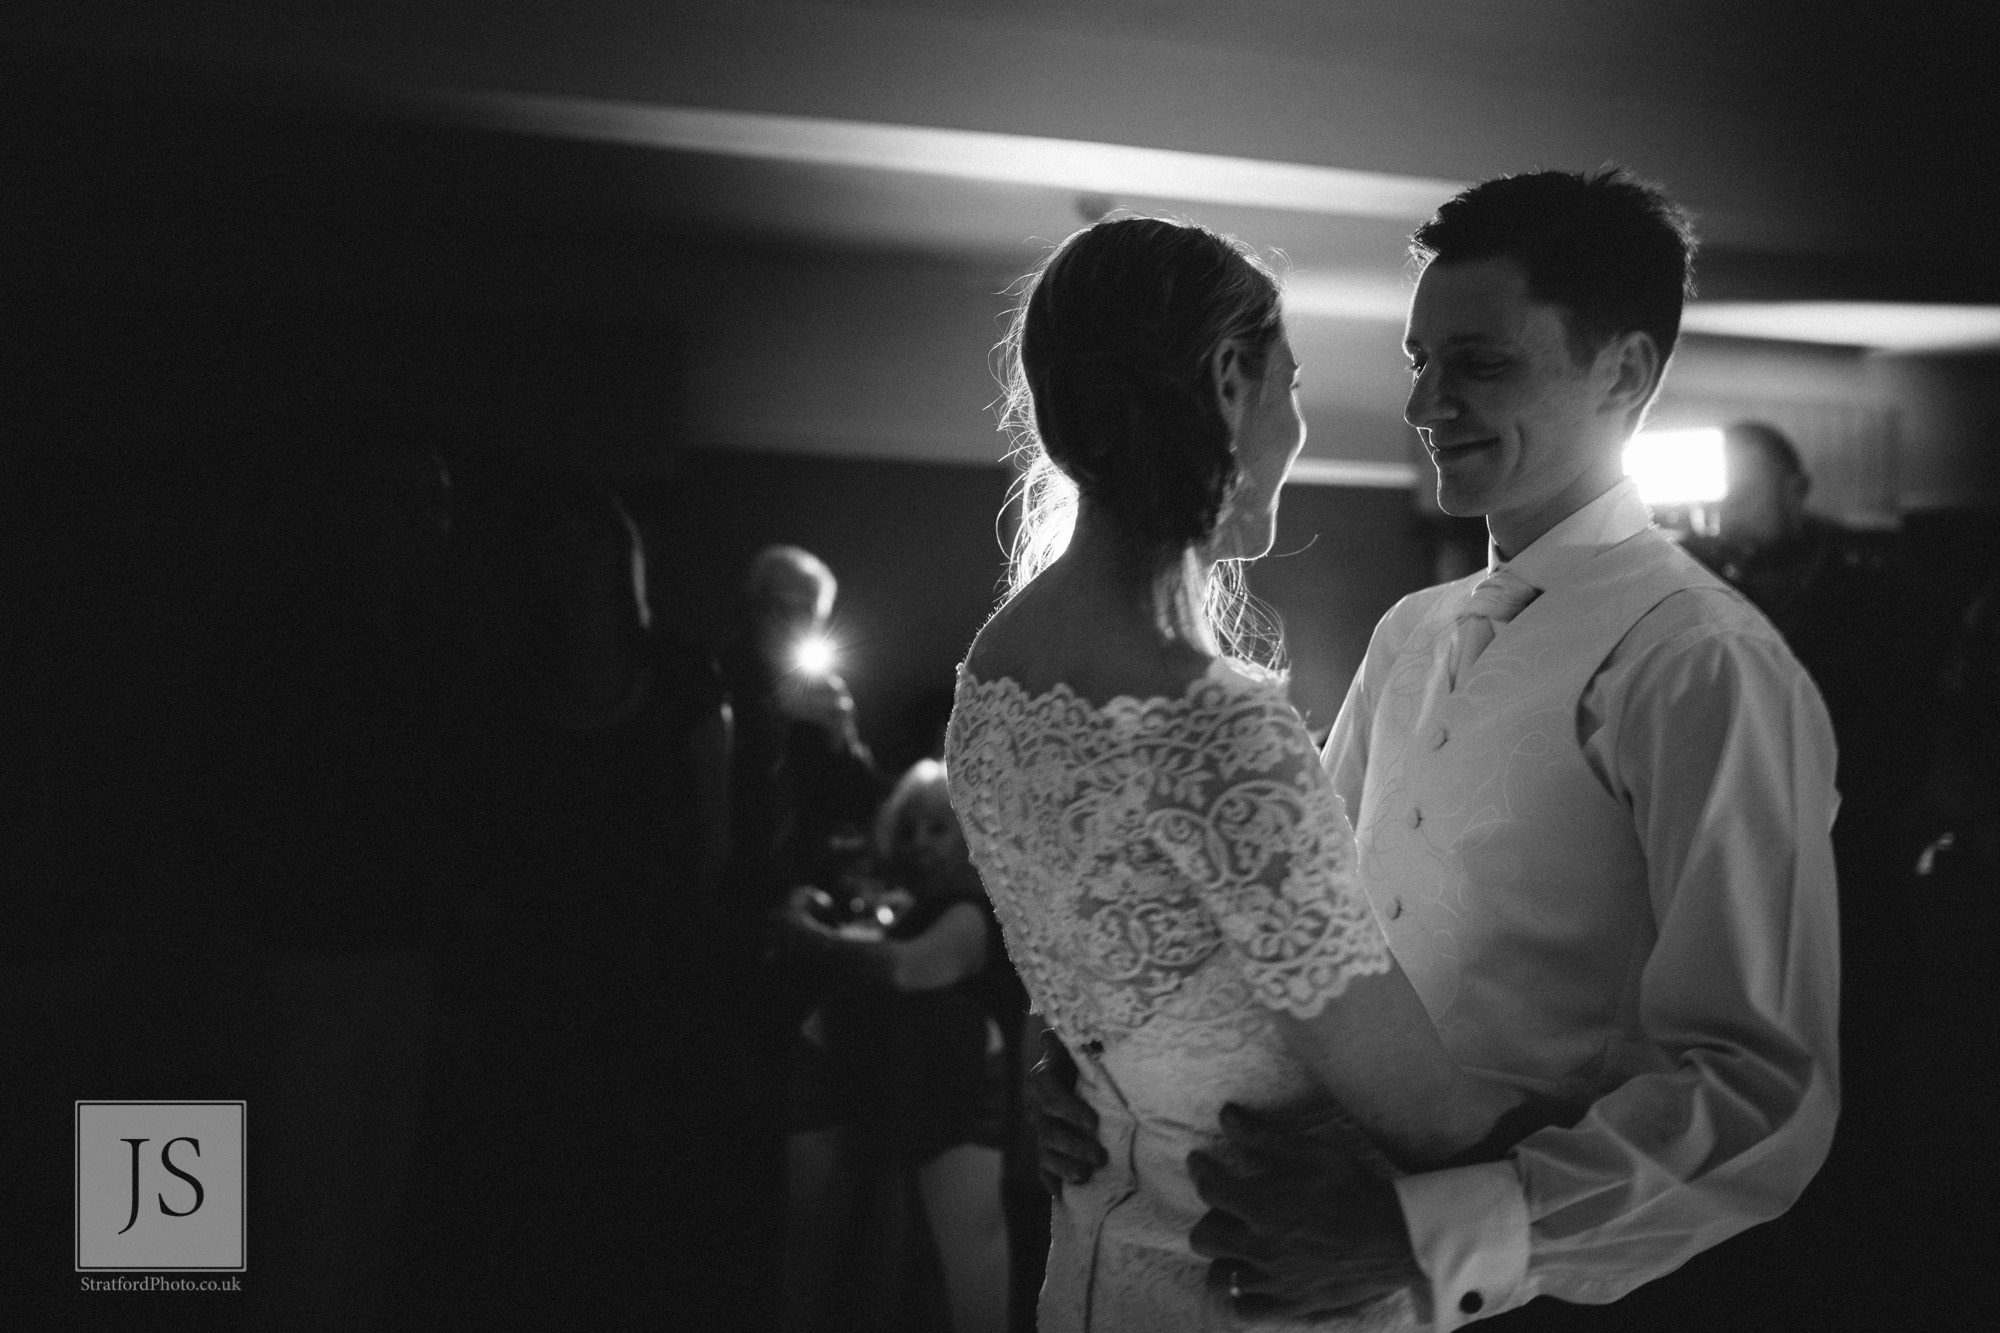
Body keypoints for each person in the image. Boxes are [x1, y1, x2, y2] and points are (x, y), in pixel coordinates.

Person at [1025, 173, 1842, 1330]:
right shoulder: (1408, 635)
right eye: (1419, 358)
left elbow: (1763, 1095)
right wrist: (1101, 1061)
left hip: (1548, 1288)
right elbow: (1297, 940)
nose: (1423, 400)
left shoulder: (1701, 664)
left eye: (1479, 363)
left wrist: (1433, 1235)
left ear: (1624, 372)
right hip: (1320, 1264)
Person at [946, 216, 1545, 1333]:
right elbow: (1428, 1118)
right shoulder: (1211, 726)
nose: (1297, 424)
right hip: (1259, 1291)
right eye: (1291, 381)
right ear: (1228, 379)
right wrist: (1637, 1102)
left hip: (1095, 1274)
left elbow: (1100, 983)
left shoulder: (993, 677)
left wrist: (1074, 1076)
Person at [776, 759, 1014, 1333]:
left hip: (943, 1107)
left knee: (954, 1268)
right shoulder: (925, 909)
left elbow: (911, 971)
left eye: (938, 828)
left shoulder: (969, 910)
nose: (919, 845)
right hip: (895, 1098)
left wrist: (807, 937)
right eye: (908, 830)